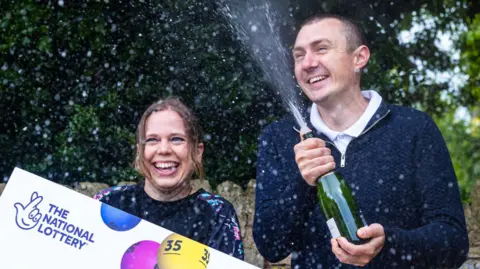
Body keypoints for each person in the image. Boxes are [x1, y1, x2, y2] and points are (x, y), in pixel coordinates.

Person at [253, 14, 469, 268]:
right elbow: (271, 246)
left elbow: (453, 242)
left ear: (359, 58)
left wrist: (389, 244)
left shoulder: (414, 128)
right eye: (299, 55)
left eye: (321, 49)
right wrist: (303, 184)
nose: (308, 63)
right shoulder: (279, 137)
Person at [94, 97, 244, 260]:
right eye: (152, 140)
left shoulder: (217, 215)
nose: (164, 149)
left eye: (176, 139)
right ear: (140, 151)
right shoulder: (108, 202)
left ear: (197, 152)